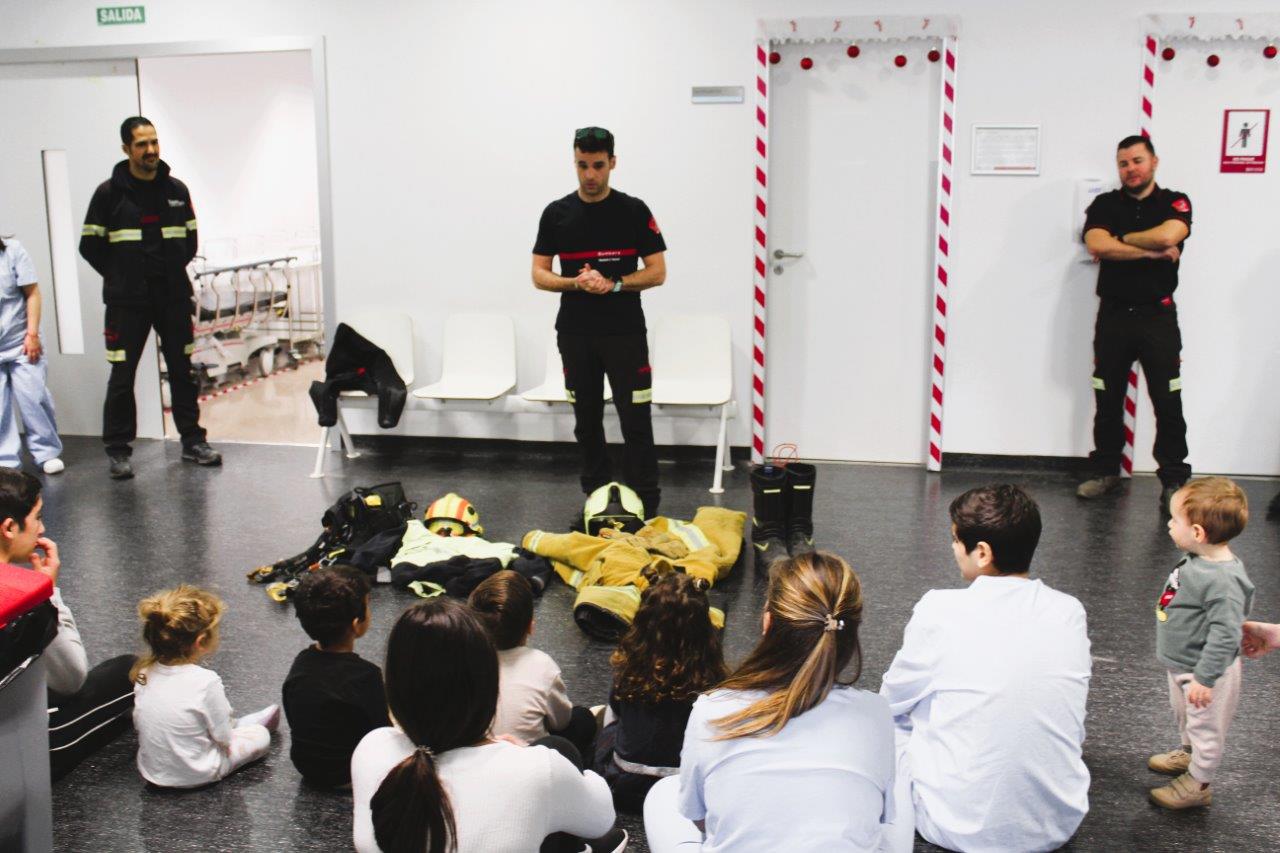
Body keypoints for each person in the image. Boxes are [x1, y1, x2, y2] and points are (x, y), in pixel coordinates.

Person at [880, 484, 1090, 853]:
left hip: (958, 827)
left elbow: (892, 702)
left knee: (891, 724)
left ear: (982, 553)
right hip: (1057, 823)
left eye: (956, 540)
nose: (952, 549)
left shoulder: (939, 610)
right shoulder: (1069, 610)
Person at [643, 551, 894, 853]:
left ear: (767, 622)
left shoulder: (713, 710)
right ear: (851, 634)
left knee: (662, 794)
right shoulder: (876, 714)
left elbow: (700, 818)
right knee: (893, 808)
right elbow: (878, 815)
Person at [350, 597, 627, 853]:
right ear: (487, 684)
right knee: (559, 748)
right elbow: (602, 819)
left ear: (395, 683)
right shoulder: (537, 770)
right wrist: (526, 756)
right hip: (545, 776)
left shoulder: (371, 749)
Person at [532, 126, 667, 519]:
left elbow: (657, 271)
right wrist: (575, 281)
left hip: (625, 333)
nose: (589, 174)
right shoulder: (556, 214)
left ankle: (646, 500)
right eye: (582, 165)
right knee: (586, 420)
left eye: (597, 165)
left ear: (612, 163)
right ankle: (596, 497)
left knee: (635, 419)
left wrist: (614, 284)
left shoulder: (634, 210)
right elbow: (539, 274)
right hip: (575, 334)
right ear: (574, 163)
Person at [79, 116, 221, 480]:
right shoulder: (108, 194)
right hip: (127, 303)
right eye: (142, 144)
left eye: (154, 142)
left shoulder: (176, 190)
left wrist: (169, 272)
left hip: (171, 297)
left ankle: (192, 441)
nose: (151, 150)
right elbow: (89, 245)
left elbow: (190, 241)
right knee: (122, 375)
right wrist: (121, 277)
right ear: (127, 149)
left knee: (182, 371)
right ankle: (118, 450)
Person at [1077, 135, 1192, 514]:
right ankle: (1106, 470)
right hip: (1113, 317)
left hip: (1158, 318)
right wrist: (1151, 251)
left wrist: (1122, 239)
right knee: (1107, 397)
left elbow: (1168, 234)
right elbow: (1097, 244)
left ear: (1154, 162)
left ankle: (1173, 479)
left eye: (1137, 161)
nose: (1131, 169)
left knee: (1167, 398)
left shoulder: (1175, 201)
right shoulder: (1105, 204)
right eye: (1123, 163)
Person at [0, 468, 133, 779]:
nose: (42, 529)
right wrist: (46, 592)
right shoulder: (20, 597)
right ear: (9, 527)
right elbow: (71, 678)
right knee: (131, 672)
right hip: (15, 750)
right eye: (37, 518)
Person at [1148, 477, 1253, 810]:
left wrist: (1205, 678)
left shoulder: (1222, 580)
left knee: (1206, 727)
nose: (1168, 524)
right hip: (1183, 663)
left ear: (1197, 533)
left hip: (1204, 673)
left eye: (1174, 519)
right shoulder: (1200, 559)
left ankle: (1199, 783)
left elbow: (1226, 634)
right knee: (1187, 718)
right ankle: (1189, 754)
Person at [593, 572, 726, 813]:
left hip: (623, 787)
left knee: (605, 724)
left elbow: (617, 713)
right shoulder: (712, 677)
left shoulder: (629, 668)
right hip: (682, 789)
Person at [131, 584, 280, 788]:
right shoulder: (206, 681)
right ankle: (246, 725)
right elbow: (224, 739)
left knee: (200, 721)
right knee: (260, 736)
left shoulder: (144, 673)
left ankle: (236, 722)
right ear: (200, 641)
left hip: (153, 772)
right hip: (200, 772)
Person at [468, 570, 597, 761]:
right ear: (530, 625)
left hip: (476, 755)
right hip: (529, 760)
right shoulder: (542, 664)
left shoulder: (464, 660)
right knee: (582, 718)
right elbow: (561, 722)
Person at [282, 564, 390, 789]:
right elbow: (381, 733)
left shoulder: (300, 664)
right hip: (351, 774)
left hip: (308, 769)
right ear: (356, 624)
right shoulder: (366, 675)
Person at [0, 235, 63, 474]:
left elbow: (33, 294)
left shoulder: (13, 251)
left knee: (33, 397)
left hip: (22, 340)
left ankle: (46, 452)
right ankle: (5, 461)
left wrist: (32, 334)